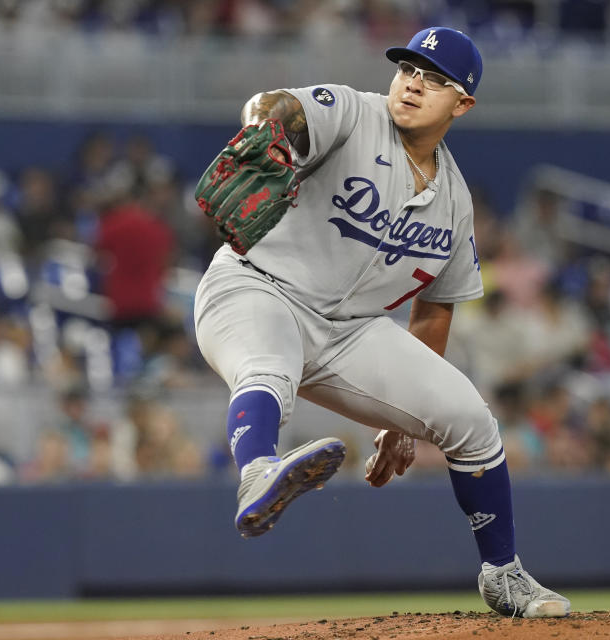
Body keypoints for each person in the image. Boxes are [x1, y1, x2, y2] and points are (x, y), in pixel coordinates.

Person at [193, 27, 570, 618]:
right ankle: (257, 471)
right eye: (408, 69)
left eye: (435, 78)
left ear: (463, 104)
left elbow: (434, 310)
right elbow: (276, 106)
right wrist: (269, 135)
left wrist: (405, 422)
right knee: (267, 366)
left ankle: (505, 575)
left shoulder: (455, 201)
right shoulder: (350, 112)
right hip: (255, 286)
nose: (414, 82)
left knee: (470, 419)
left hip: (349, 332)